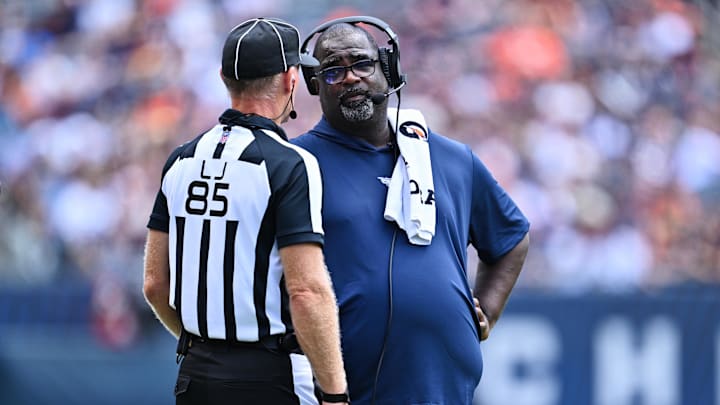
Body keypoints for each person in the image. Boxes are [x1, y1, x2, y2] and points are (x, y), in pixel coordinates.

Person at [292, 16, 530, 404]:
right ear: (314, 84)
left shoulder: (452, 158)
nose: (351, 77)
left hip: (445, 387)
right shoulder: (296, 164)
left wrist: (486, 309)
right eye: (334, 71)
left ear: (389, 69)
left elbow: (510, 239)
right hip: (342, 391)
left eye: (362, 63)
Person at [142, 17, 349, 405]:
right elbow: (306, 290)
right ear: (290, 79)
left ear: (224, 78)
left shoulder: (181, 159)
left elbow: (155, 284)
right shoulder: (290, 163)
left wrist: (206, 345)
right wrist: (335, 393)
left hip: (196, 374)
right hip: (270, 376)